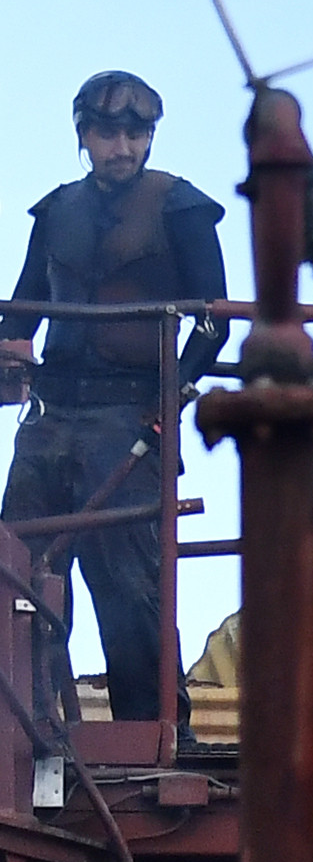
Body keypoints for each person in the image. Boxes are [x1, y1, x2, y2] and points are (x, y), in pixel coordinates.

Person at [0, 72, 228, 735]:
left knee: (130, 587)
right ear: (84, 135)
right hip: (50, 419)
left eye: (136, 133)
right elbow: (22, 311)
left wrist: (170, 400)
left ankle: (154, 734)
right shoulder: (55, 213)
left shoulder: (181, 207)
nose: (123, 147)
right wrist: (10, 350)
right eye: (108, 133)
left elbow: (214, 321)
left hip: (131, 416)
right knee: (20, 574)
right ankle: (26, 731)